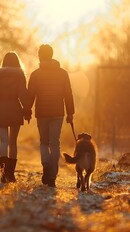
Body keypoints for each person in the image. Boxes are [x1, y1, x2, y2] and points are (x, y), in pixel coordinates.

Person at [27, 44, 75, 187]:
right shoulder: (63, 73)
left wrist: (27, 111)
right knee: (55, 143)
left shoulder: (35, 74)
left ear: (40, 56)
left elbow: (30, 95)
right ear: (52, 55)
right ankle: (52, 175)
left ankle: (46, 164)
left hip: (42, 112)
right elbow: (68, 94)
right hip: (58, 112)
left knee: (43, 142)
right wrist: (70, 113)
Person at [0, 51, 31, 183]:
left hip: (1, 111)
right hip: (15, 110)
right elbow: (23, 96)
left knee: (3, 141)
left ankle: (3, 174)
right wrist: (27, 112)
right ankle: (11, 174)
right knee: (13, 142)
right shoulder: (20, 77)